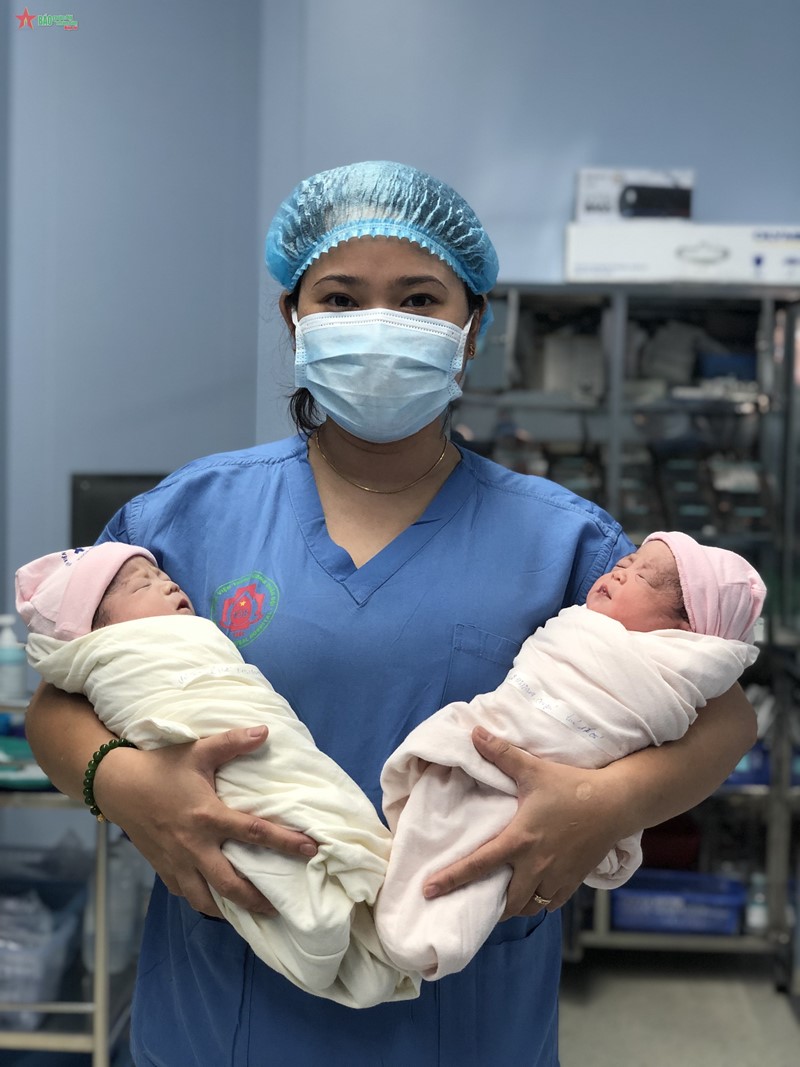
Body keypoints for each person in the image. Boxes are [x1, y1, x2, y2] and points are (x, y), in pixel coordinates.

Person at [23, 160, 758, 1067]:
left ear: (472, 327)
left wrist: (608, 803)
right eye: (340, 298)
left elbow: (725, 716)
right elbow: (55, 707)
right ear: (294, 319)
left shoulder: (563, 539)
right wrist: (127, 785)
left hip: (466, 1015)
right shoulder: (188, 516)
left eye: (418, 299)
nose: (379, 325)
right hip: (228, 1011)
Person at [15, 543, 420, 1008]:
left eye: (164, 578)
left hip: (469, 996)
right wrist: (122, 779)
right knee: (291, 853)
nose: (169, 584)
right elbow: (51, 705)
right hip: (212, 985)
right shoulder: (160, 539)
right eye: (145, 584)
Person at [375, 531, 765, 979]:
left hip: (521, 775)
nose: (621, 569)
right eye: (626, 564)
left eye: (642, 576)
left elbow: (733, 719)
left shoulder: (578, 540)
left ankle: (410, 931)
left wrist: (603, 800)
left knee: (464, 843)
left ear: (685, 631)